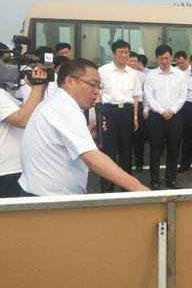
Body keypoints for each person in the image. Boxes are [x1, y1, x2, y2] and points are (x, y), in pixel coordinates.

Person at [18, 59, 148, 196]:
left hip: (45, 195)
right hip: (51, 201)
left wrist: (87, 134)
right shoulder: (64, 108)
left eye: (99, 87)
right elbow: (93, 159)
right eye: (92, 84)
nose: (97, 92)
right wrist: (140, 189)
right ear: (70, 82)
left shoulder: (57, 102)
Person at [97, 39, 142, 192]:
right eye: (121, 52)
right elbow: (98, 93)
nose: (124, 55)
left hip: (127, 112)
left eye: (126, 52)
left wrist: (135, 117)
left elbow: (135, 97)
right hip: (109, 112)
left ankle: (126, 187)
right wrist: (99, 114)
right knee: (108, 150)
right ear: (113, 53)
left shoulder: (133, 73)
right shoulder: (103, 70)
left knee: (126, 150)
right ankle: (107, 188)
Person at [143, 45, 187, 189]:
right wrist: (162, 111)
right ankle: (155, 180)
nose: (164, 61)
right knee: (155, 150)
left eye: (167, 58)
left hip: (174, 117)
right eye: (161, 58)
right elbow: (149, 97)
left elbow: (183, 95)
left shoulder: (180, 75)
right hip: (156, 117)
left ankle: (171, 179)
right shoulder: (151, 75)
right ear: (157, 59)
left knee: (173, 150)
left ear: (171, 57)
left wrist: (172, 110)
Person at [0, 67, 47, 197]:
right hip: (8, 170)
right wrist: (37, 86)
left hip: (14, 168)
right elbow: (24, 120)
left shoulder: (4, 95)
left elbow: (29, 111)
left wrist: (38, 89)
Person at [127, 51, 148, 172]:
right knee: (125, 135)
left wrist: (145, 109)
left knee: (139, 136)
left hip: (139, 106)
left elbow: (146, 94)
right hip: (126, 106)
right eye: (131, 61)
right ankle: (126, 162)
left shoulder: (142, 76)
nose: (133, 63)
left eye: (135, 61)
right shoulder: (122, 75)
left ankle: (139, 162)